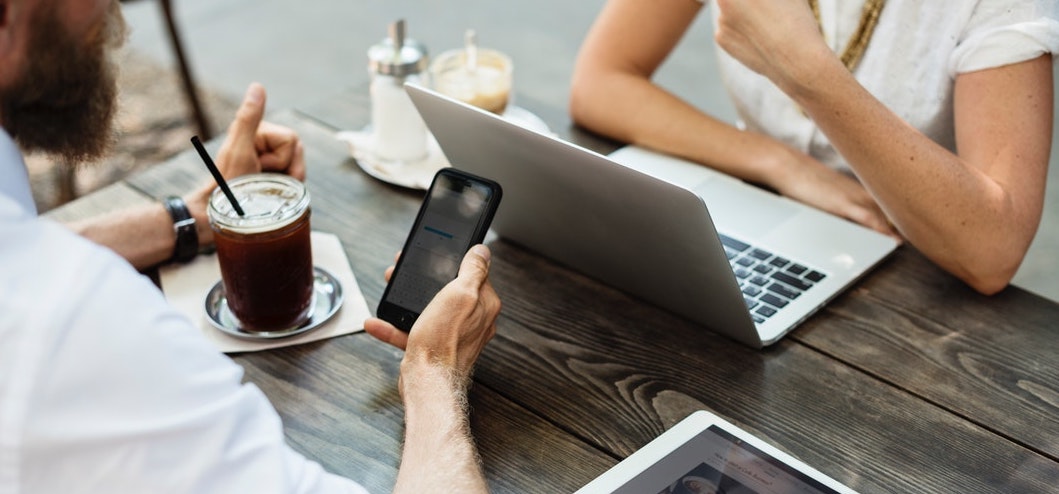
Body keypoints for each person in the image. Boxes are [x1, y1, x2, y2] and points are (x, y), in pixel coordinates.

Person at [0, 1, 499, 492]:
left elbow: (20, 247)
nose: (114, 13)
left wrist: (192, 219)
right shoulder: (77, 328)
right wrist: (435, 370)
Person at [570, 0, 1058, 295]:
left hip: (916, 267)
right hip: (761, 223)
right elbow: (600, 82)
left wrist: (806, 72)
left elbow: (993, 250)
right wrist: (779, 162)